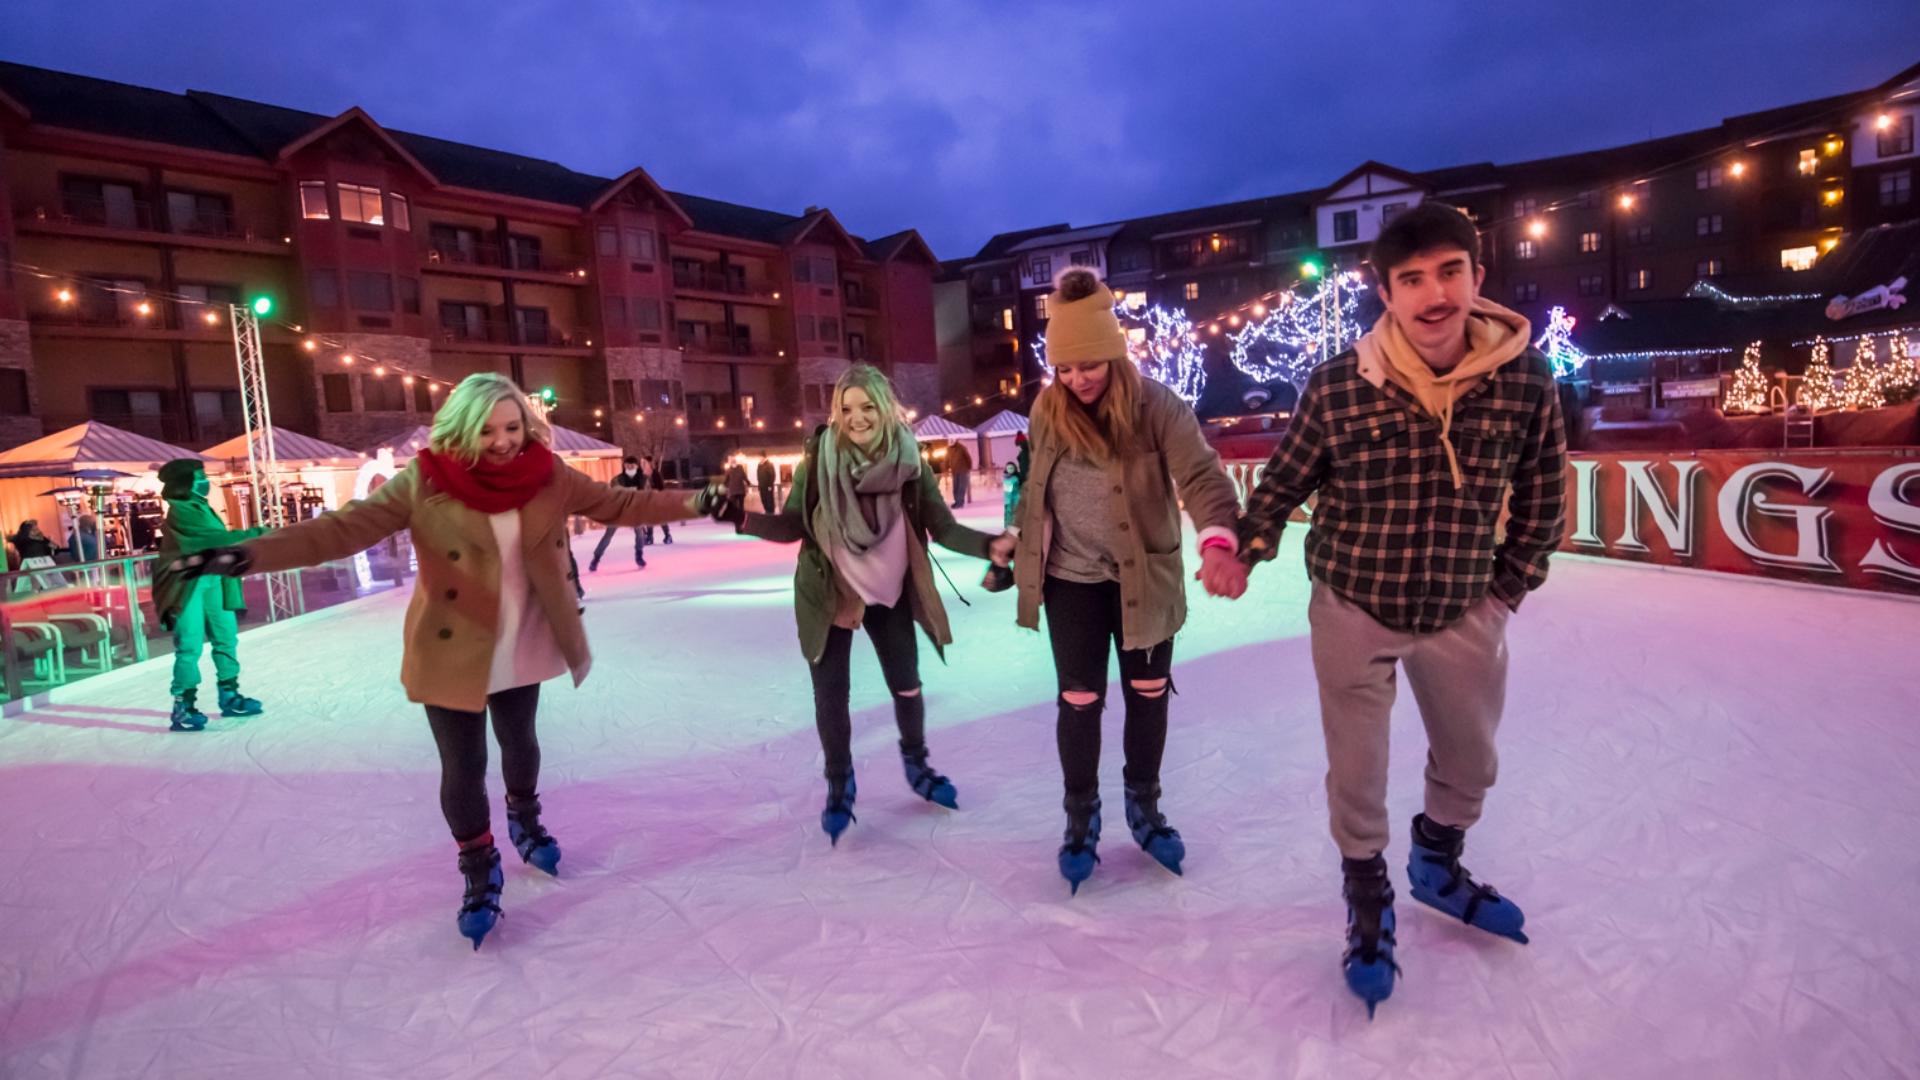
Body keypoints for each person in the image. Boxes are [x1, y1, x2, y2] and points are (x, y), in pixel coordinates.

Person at [160, 372, 714, 949]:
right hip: (454, 641)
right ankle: (478, 868)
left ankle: (525, 820)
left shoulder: (546, 473)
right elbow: (342, 530)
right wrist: (243, 554)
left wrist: (699, 500)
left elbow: (621, 502)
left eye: (512, 426)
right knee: (464, 763)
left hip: (521, 634)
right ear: (463, 427)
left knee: (520, 742)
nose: (503, 441)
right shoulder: (425, 480)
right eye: (489, 429)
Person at [1234, 202, 1568, 1015]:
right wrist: (1243, 548)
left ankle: (1436, 863)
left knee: (1470, 761)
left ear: (1477, 278)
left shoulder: (1523, 380)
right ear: (1386, 292)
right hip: (1355, 602)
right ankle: (1367, 897)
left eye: (1449, 272)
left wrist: (1506, 588)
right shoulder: (1342, 386)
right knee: (1359, 773)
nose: (1433, 295)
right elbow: (1281, 483)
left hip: (1461, 605)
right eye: (1412, 279)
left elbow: (1545, 493)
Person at [1007, 268, 1243, 894]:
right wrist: (1014, 540)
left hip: (1146, 575)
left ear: (1113, 352)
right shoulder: (1046, 410)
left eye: (1090, 363)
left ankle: (1145, 805)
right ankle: (1080, 817)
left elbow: (1201, 476)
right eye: (1065, 367)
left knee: (1147, 689)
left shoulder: (1155, 405)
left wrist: (1218, 539)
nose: (1078, 378)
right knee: (1079, 700)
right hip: (1071, 579)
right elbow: (1035, 487)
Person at [709, 363, 1014, 844]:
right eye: (847, 408)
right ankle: (839, 781)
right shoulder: (817, 461)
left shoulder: (908, 462)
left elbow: (944, 526)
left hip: (889, 589)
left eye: (868, 407)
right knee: (831, 695)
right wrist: (742, 519)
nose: (857, 417)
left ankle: (917, 764)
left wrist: (990, 546)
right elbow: (794, 526)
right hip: (829, 589)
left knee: (907, 684)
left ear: (885, 409)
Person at [152, 463, 267, 730]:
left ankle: (230, 695)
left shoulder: (201, 506)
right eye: (200, 478)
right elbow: (213, 539)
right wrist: (258, 534)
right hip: (187, 584)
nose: (205, 482)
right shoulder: (181, 511)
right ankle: (183, 706)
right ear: (184, 482)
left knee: (226, 636)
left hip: (214, 579)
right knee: (190, 645)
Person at [588, 456, 647, 571]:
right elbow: (616, 491)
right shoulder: (617, 479)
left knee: (640, 533)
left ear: (636, 466)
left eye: (632, 466)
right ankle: (596, 558)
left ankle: (639, 555)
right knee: (608, 535)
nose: (630, 468)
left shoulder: (643, 479)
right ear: (624, 466)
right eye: (627, 465)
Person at [947, 438, 973, 508]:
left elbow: (968, 458)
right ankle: (957, 501)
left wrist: (969, 467)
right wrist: (946, 467)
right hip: (954, 471)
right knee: (955, 488)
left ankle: (960, 503)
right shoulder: (949, 449)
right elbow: (947, 459)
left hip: (963, 471)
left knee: (961, 488)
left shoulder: (962, 448)